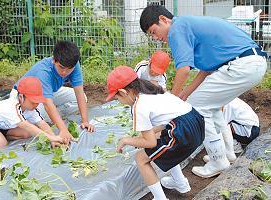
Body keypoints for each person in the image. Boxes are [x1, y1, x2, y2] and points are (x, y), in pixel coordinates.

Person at [140, 5, 267, 178]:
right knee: (211, 107)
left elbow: (183, 70)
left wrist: (172, 102)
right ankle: (227, 153)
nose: (156, 38)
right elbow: (205, 71)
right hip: (251, 62)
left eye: (154, 31)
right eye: (152, 35)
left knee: (197, 110)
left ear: (164, 19)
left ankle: (218, 161)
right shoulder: (188, 25)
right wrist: (185, 94)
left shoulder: (177, 29)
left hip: (241, 64)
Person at [107, 66, 204, 199]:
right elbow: (164, 124)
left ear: (123, 92)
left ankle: (160, 198)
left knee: (141, 158)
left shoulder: (138, 106)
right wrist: (143, 136)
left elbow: (150, 142)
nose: (119, 101)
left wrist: (126, 140)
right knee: (163, 142)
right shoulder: (153, 90)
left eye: (116, 97)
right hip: (195, 122)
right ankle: (180, 183)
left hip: (184, 132)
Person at [10, 40, 95, 145]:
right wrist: (63, 130)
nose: (64, 72)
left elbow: (79, 92)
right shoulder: (44, 71)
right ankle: (46, 118)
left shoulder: (74, 65)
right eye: (61, 67)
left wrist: (85, 121)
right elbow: (47, 103)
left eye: (69, 69)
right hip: (23, 97)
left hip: (46, 94)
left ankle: (51, 116)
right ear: (54, 60)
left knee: (81, 98)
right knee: (39, 117)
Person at [0, 77, 63, 152]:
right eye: (33, 101)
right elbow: (27, 126)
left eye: (38, 101)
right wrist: (50, 138)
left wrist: (53, 137)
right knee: (0, 144)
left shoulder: (32, 109)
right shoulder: (13, 107)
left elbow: (42, 124)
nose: (36, 104)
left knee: (26, 134)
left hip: (3, 124)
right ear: (21, 97)